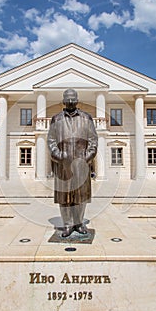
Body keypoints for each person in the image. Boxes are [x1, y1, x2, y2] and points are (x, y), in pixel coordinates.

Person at [47, 89, 98, 237]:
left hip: (82, 164)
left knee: (81, 196)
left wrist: (87, 157)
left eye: (73, 98)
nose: (70, 101)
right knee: (65, 197)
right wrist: (58, 155)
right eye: (67, 98)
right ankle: (67, 224)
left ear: (77, 100)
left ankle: (78, 223)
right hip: (63, 165)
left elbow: (93, 140)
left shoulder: (86, 118)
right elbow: (51, 140)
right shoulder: (56, 119)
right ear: (63, 100)